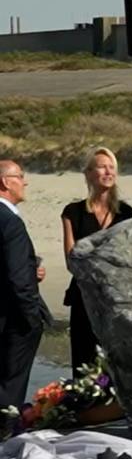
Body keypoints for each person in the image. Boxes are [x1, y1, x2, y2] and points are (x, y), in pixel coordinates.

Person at [61, 148, 132, 368]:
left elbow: (128, 258)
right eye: (102, 166)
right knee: (84, 363)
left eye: (112, 167)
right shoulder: (72, 212)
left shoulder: (126, 213)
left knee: (116, 364)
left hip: (115, 297)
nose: (108, 171)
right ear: (88, 173)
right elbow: (71, 261)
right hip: (83, 296)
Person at [0, 161, 50, 406]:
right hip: (13, 318)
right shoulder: (11, 222)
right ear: (5, 182)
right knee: (11, 386)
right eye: (20, 176)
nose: (25, 182)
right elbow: (17, 279)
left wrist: (31, 271)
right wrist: (32, 318)